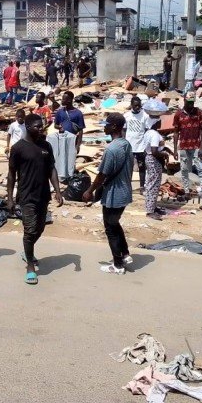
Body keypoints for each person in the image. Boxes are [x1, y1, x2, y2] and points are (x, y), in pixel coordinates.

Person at [8, 113, 64, 285]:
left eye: (42, 126)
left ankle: (27, 252)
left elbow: (51, 169)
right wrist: (9, 198)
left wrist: (58, 190)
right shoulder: (18, 148)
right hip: (26, 196)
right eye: (37, 127)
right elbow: (11, 174)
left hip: (43, 195)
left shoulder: (46, 146)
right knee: (30, 230)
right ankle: (30, 266)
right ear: (28, 127)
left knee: (40, 228)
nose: (41, 129)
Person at [83, 113, 133, 274]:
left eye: (106, 124)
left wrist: (89, 191)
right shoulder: (126, 144)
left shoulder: (111, 149)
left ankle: (118, 265)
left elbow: (102, 174)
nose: (103, 127)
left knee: (110, 228)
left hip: (114, 194)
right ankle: (125, 254)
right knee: (115, 223)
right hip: (125, 191)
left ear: (113, 127)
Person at [173, 92, 202, 206]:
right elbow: (176, 132)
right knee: (184, 170)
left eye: (192, 103)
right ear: (184, 101)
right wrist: (175, 150)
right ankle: (187, 192)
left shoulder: (199, 113)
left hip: (196, 146)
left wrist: (201, 147)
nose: (191, 105)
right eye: (188, 102)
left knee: (201, 169)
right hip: (184, 146)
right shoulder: (178, 114)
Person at [124, 96, 151, 191]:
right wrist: (124, 143)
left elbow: (147, 130)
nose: (137, 107)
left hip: (141, 146)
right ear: (131, 105)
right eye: (135, 106)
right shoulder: (127, 116)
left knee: (142, 166)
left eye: (139, 106)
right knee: (129, 167)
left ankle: (142, 186)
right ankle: (127, 186)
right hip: (130, 146)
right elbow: (124, 130)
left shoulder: (145, 116)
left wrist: (146, 145)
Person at [144, 121, 169, 220]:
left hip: (150, 159)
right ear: (155, 123)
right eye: (159, 121)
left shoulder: (149, 132)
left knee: (154, 184)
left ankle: (153, 207)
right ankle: (150, 211)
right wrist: (165, 155)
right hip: (154, 160)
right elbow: (154, 151)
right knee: (153, 185)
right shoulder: (154, 135)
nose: (161, 123)